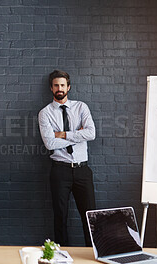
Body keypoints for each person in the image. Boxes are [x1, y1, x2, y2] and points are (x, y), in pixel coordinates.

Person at [38, 70, 96, 247]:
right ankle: (62, 255)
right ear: (51, 88)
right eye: (56, 85)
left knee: (90, 216)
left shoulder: (81, 107)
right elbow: (49, 143)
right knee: (60, 216)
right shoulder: (45, 113)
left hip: (82, 170)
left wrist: (62, 135)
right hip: (60, 170)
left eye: (62, 85)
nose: (59, 88)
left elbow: (91, 133)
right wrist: (77, 134)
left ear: (68, 87)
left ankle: (93, 253)